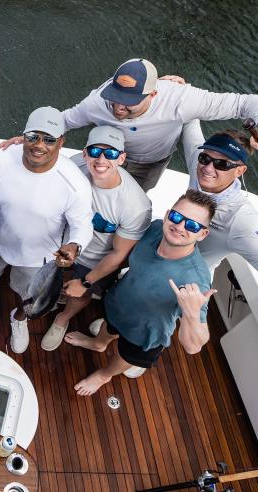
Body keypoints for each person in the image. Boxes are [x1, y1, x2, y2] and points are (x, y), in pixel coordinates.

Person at [0, 59, 258, 191]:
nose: (118, 107)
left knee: (132, 202)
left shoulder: (181, 99)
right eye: (115, 98)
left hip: (150, 163)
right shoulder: (99, 100)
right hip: (107, 156)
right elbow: (66, 119)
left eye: (129, 101)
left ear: (154, 93)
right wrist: (32, 136)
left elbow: (246, 103)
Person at [65, 190, 217, 396]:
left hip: (145, 333)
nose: (180, 226)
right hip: (119, 303)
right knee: (108, 327)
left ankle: (104, 374)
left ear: (203, 233)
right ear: (167, 215)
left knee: (126, 356)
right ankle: (98, 343)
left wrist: (191, 314)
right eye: (176, 217)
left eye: (192, 225)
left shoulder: (195, 279)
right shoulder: (155, 229)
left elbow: (193, 347)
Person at [0, 106, 92, 354]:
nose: (39, 145)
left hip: (38, 257)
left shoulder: (74, 183)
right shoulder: (1, 157)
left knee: (29, 298)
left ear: (61, 143)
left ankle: (19, 318)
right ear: (23, 135)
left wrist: (74, 246)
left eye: (49, 139)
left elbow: (82, 226)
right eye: (33, 136)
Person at [40, 125, 152, 351]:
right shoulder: (72, 166)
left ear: (121, 158)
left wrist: (85, 282)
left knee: (81, 293)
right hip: (57, 241)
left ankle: (63, 318)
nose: (101, 160)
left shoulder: (136, 206)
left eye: (110, 153)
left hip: (94, 259)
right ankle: (51, 297)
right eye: (94, 152)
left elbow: (119, 254)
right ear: (84, 153)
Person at [179, 124, 258, 283]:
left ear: (240, 171)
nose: (208, 168)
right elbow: (189, 119)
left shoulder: (240, 219)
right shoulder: (198, 166)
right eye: (205, 158)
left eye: (222, 164)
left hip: (189, 283)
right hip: (161, 255)